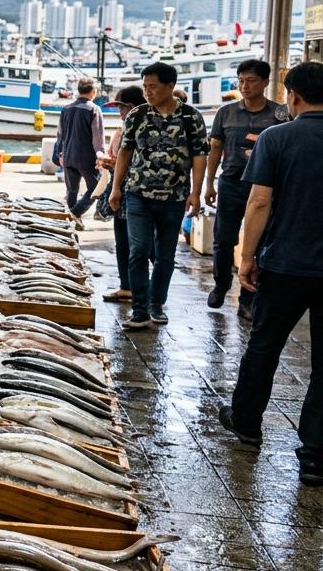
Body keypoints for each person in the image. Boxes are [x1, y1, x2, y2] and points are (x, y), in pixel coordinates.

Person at [217, 61, 323, 487]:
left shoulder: (277, 137)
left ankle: (246, 421)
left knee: (265, 344)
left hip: (285, 263)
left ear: (291, 96)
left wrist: (246, 257)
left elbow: (259, 202)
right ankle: (315, 455)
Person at [109, 61, 209, 329]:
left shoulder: (190, 117)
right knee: (138, 251)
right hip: (137, 193)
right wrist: (116, 187)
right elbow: (125, 152)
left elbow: (201, 155)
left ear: (170, 86)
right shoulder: (138, 115)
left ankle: (156, 304)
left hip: (174, 197)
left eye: (153, 87)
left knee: (165, 255)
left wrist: (196, 192)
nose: (148, 92)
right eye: (145, 87)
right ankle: (140, 311)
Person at [203, 59, 290, 319]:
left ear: (265, 82)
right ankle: (221, 284)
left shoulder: (279, 115)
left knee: (260, 241)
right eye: (241, 80)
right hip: (231, 182)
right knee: (223, 238)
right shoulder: (226, 112)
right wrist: (210, 182)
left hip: (264, 186)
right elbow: (215, 148)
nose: (245, 86)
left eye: (251, 81)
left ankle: (248, 298)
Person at [100, 88, 143, 303]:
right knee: (122, 241)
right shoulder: (124, 127)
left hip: (135, 193)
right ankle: (126, 285)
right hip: (121, 192)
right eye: (119, 107)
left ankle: (144, 292)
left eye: (124, 106)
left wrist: (115, 165)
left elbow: (138, 163)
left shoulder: (143, 128)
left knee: (138, 243)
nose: (121, 111)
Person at [55, 78, 105, 228]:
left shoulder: (66, 108)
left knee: (72, 189)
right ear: (93, 92)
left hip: (68, 155)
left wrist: (60, 153)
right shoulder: (94, 109)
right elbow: (98, 135)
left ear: (79, 91)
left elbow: (60, 134)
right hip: (86, 157)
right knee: (96, 188)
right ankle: (74, 214)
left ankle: (70, 221)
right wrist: (100, 154)